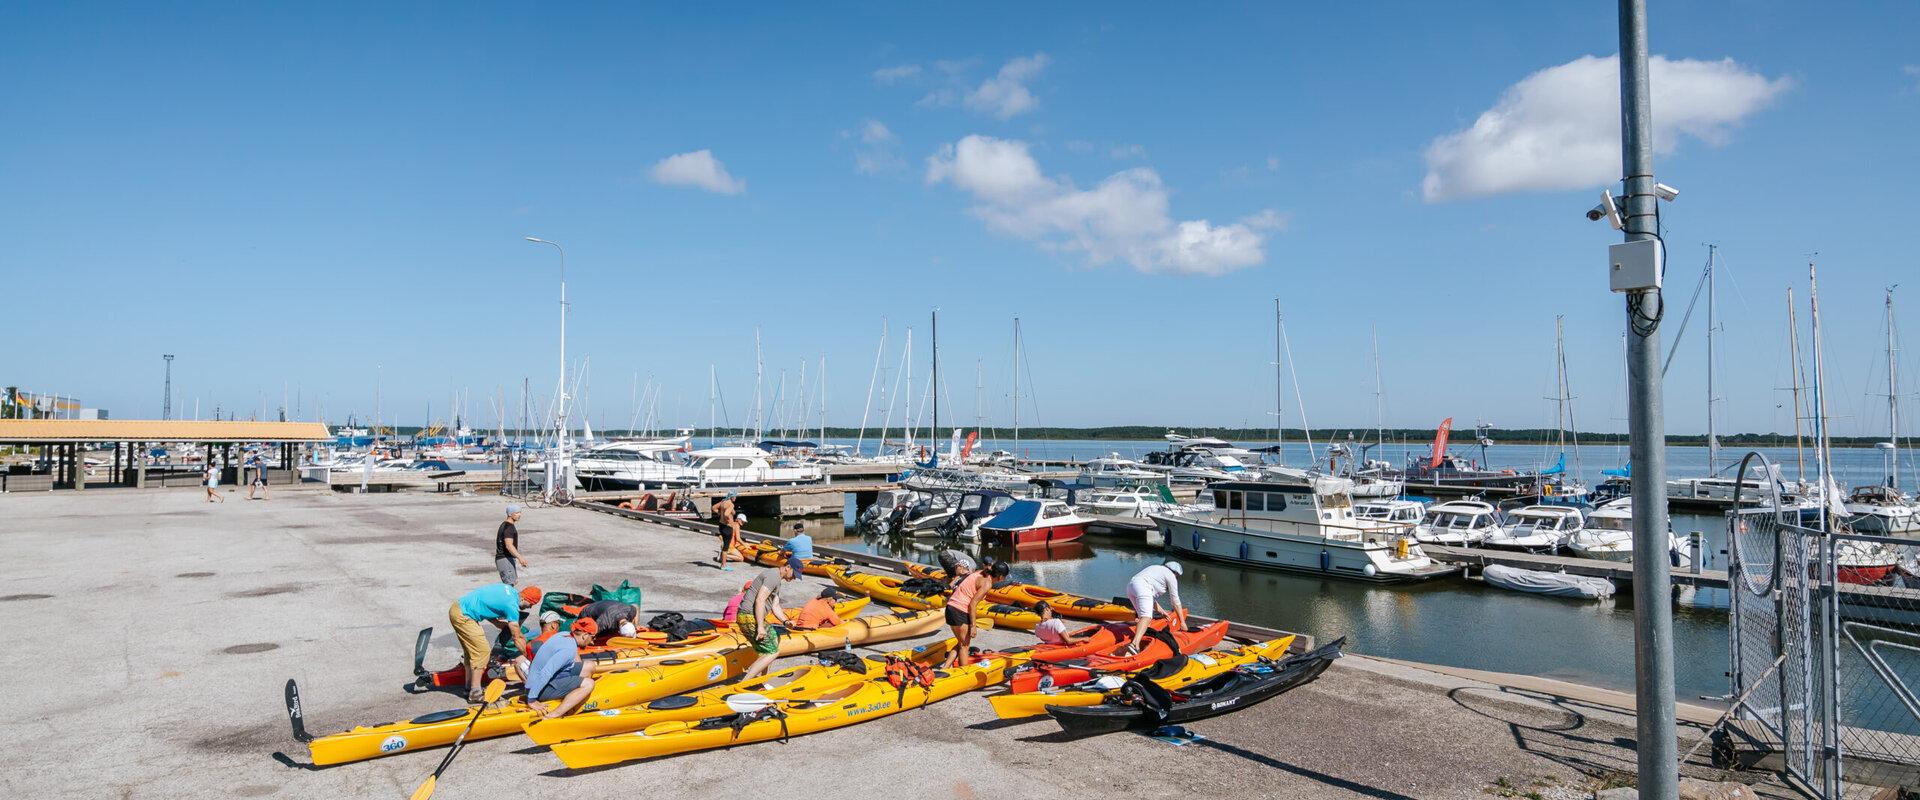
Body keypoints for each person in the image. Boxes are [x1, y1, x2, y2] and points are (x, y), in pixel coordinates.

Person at [450, 583, 541, 702]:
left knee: (471, 653)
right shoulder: (512, 606)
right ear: (524, 598)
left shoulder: (510, 591)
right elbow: (517, 637)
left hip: (458, 608)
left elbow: (487, 603)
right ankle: (475, 693)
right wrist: (525, 655)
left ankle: (469, 688)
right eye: (531, 604)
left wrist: (496, 623)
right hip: (464, 616)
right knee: (482, 652)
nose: (530, 608)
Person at [526, 618, 603, 719]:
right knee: (589, 683)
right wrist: (532, 699)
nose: (592, 642)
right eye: (593, 638)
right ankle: (554, 715)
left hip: (543, 681)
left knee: (589, 666)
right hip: (539, 690)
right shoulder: (568, 649)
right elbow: (547, 672)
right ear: (585, 635)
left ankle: (576, 699)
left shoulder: (564, 634)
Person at [738, 557, 801, 679]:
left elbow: (775, 605)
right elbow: (760, 599)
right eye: (794, 574)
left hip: (750, 616)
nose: (794, 578)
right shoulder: (773, 576)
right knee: (773, 652)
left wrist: (785, 621)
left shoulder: (777, 579)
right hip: (748, 616)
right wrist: (760, 627)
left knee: (774, 638)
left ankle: (762, 679)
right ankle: (744, 682)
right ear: (788, 567)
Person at [944, 561, 1008, 668]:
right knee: (965, 646)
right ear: (1001, 577)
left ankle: (945, 667)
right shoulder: (987, 584)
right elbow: (972, 604)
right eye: (1005, 577)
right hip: (959, 611)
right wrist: (973, 626)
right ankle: (964, 674)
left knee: (961, 643)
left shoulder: (979, 573)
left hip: (950, 608)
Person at [1123, 560, 1186, 655]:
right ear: (1176, 573)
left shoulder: (1156, 568)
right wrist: (1182, 622)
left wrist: (1162, 611)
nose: (1176, 577)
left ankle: (1138, 643)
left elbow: (1149, 596)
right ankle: (1134, 645)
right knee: (1146, 617)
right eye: (1177, 575)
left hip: (1131, 587)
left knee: (1143, 618)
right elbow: (1175, 602)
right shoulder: (1171, 576)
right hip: (1142, 587)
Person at [575, 598, 640, 641]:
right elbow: (591, 635)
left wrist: (636, 625)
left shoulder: (630, 611)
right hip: (588, 612)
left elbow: (635, 606)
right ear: (619, 632)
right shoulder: (604, 622)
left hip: (607, 606)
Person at [494, 505, 526, 585]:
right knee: (509, 584)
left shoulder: (505, 525)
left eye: (520, 512)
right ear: (510, 514)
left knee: (512, 583)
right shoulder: (509, 528)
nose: (519, 515)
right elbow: (509, 545)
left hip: (506, 559)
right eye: (517, 513)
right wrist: (520, 558)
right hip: (505, 559)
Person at [711, 493, 742, 570]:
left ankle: (723, 562)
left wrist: (719, 513)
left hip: (721, 526)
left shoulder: (723, 502)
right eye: (735, 497)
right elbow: (726, 514)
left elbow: (713, 507)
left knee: (725, 544)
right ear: (732, 497)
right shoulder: (731, 504)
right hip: (727, 527)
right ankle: (723, 565)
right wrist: (729, 521)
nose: (736, 498)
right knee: (726, 547)